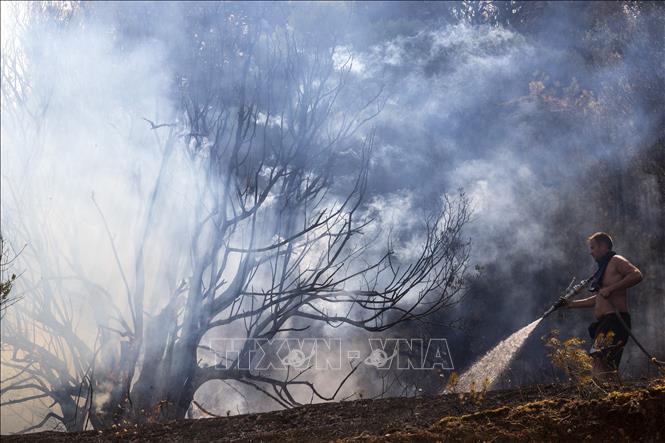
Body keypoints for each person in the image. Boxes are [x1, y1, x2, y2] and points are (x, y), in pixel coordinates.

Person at [563, 232, 643, 381]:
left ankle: (604, 395)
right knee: (603, 362)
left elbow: (636, 274)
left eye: (593, 247)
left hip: (615, 322)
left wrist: (611, 289)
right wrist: (571, 305)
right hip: (606, 323)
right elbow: (599, 298)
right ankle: (611, 398)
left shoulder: (616, 260)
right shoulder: (603, 269)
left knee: (599, 359)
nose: (590, 252)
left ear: (604, 246)